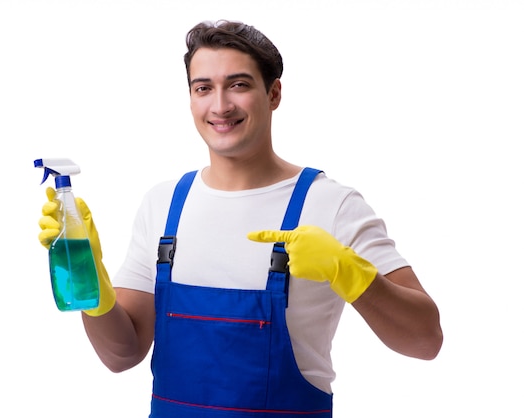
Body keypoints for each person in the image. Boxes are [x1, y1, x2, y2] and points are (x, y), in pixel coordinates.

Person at [38, 20, 443, 417]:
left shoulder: (331, 205)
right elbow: (121, 354)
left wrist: (352, 274)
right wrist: (90, 279)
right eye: (203, 89)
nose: (220, 106)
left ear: (274, 93)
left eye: (239, 84)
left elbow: (425, 340)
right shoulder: (163, 206)